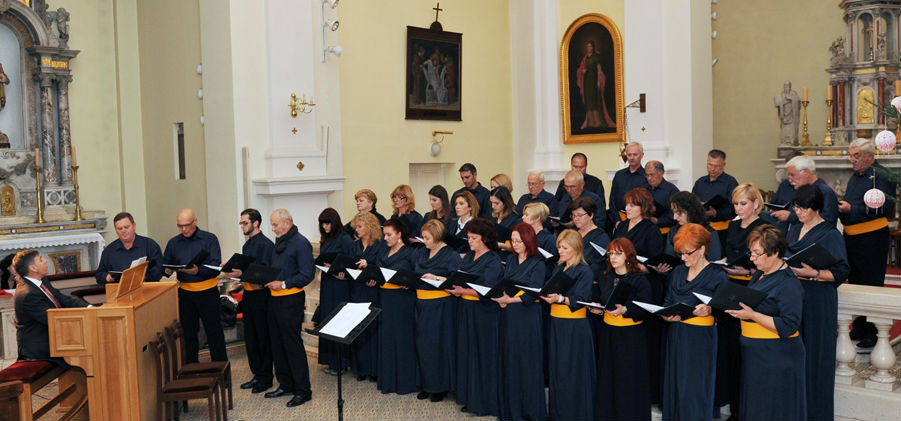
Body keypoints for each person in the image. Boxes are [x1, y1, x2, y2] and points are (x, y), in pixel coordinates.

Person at [725, 225, 805, 421]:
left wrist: (752, 315)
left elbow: (789, 325)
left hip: (777, 357)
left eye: (757, 253)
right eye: (751, 253)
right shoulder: (760, 273)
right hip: (757, 355)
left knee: (772, 410)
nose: (752, 258)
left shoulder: (789, 283)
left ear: (775, 252)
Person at [785, 185, 848, 421]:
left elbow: (841, 271)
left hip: (819, 298)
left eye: (804, 208)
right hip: (795, 295)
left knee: (816, 357)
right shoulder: (794, 229)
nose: (799, 212)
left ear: (817, 208)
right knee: (795, 354)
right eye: (796, 207)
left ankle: (816, 414)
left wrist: (815, 273)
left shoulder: (830, 234)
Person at [716, 183, 773, 416]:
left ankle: (747, 409)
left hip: (751, 287)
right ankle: (734, 407)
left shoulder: (764, 229)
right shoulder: (732, 225)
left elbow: (770, 263)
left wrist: (748, 271)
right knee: (730, 351)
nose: (738, 208)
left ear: (755, 203)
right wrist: (721, 263)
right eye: (735, 204)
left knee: (747, 351)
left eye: (743, 203)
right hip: (731, 286)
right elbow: (729, 255)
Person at [660, 224, 724, 421]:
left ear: (702, 249)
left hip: (700, 340)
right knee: (675, 386)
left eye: (687, 253)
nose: (683, 258)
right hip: (677, 334)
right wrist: (665, 315)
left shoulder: (717, 275)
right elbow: (667, 301)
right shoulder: (678, 272)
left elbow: (727, 310)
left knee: (694, 388)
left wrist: (711, 310)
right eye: (680, 253)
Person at [441, 218, 503, 416]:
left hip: (484, 312)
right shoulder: (468, 257)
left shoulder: (493, 260)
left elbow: (488, 289)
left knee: (483, 355)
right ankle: (470, 397)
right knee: (467, 353)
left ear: (485, 238)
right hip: (466, 310)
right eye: (468, 238)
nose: (470, 241)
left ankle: (485, 401)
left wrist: (463, 291)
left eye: (474, 238)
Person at [839, 138, 896, 349]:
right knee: (855, 283)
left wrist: (851, 209)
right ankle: (860, 327)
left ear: (870, 156)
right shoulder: (856, 177)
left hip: (871, 238)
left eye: (856, 156)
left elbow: (884, 207)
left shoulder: (882, 176)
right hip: (852, 237)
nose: (852, 160)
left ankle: (872, 332)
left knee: (871, 284)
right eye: (850, 156)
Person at [590, 238, 652, 421]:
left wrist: (625, 310)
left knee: (628, 380)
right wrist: (597, 308)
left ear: (628, 256)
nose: (613, 257)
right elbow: (603, 301)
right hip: (608, 333)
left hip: (630, 336)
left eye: (618, 253)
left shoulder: (639, 279)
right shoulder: (605, 276)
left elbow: (646, 308)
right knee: (607, 378)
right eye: (610, 253)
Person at [491, 223, 547, 421]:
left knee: (526, 361)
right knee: (510, 360)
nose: (514, 244)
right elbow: (505, 283)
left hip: (527, 316)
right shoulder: (511, 259)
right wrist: (502, 299)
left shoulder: (538, 263)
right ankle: (511, 410)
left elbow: (534, 293)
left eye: (518, 241)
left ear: (528, 241)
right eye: (513, 241)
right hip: (509, 315)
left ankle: (529, 412)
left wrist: (510, 300)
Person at [541, 230, 596, 421]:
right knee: (558, 370)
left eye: (565, 248)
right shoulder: (559, 268)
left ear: (576, 248)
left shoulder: (584, 271)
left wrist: (560, 299)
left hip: (574, 326)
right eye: (559, 247)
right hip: (556, 323)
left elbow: (581, 299)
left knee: (572, 371)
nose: (560, 251)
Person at [263, 209, 315, 407]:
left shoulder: (301, 243)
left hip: (291, 299)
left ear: (287, 222)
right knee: (277, 343)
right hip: (274, 299)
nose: (273, 228)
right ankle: (285, 384)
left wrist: (284, 284)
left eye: (275, 224)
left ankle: (303, 390)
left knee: (292, 345)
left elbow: (307, 274)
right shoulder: (280, 240)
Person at [162, 208, 226, 363]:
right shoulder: (173, 243)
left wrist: (198, 271)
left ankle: (221, 368)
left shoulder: (209, 239)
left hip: (208, 291)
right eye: (180, 226)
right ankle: (192, 368)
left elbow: (215, 266)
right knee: (189, 334)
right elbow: (166, 266)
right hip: (186, 294)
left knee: (214, 333)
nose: (184, 229)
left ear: (195, 221)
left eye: (187, 225)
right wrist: (167, 270)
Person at [224, 209, 275, 393]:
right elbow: (246, 269)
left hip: (262, 296)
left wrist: (242, 273)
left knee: (262, 337)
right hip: (249, 294)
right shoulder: (247, 245)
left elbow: (265, 272)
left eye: (245, 223)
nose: (242, 226)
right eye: (241, 223)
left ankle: (266, 378)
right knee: (251, 337)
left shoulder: (266, 245)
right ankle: (257, 374)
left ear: (256, 223)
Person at [416, 220, 462, 402]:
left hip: (441, 304)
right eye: (423, 238)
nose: (424, 241)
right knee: (424, 345)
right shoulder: (422, 252)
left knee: (439, 345)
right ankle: (427, 384)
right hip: (422, 303)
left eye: (427, 238)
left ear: (437, 236)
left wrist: (436, 277)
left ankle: (440, 387)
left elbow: (455, 280)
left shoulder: (451, 255)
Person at [13, 250, 88, 361]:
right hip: (41, 349)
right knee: (87, 352)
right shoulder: (28, 294)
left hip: (55, 339)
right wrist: (84, 319)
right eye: (40, 259)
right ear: (33, 268)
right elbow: (53, 319)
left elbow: (61, 298)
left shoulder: (42, 280)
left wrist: (88, 308)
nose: (45, 261)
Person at [375, 219, 419, 395]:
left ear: (399, 234)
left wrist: (409, 283)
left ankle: (404, 382)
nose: (385, 238)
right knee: (387, 338)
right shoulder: (383, 250)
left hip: (402, 300)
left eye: (389, 234)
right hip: (385, 298)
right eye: (384, 235)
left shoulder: (410, 253)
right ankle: (388, 381)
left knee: (402, 339)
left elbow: (417, 276)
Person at [316, 208, 354, 375]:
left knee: (339, 320)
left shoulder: (345, 239)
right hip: (328, 282)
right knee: (327, 318)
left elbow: (351, 262)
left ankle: (341, 362)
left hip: (340, 284)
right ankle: (330, 361)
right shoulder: (326, 239)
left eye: (327, 223)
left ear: (335, 222)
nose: (325, 227)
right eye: (322, 224)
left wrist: (341, 271)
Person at [350, 212, 387, 382]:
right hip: (357, 289)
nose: (357, 230)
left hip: (373, 290)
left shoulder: (379, 245)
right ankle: (361, 368)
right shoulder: (355, 245)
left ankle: (374, 369)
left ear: (369, 226)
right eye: (356, 227)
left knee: (372, 328)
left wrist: (369, 266)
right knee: (359, 328)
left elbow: (382, 265)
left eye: (360, 226)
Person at [655, 191, 723, 274]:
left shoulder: (709, 233)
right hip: (676, 275)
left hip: (701, 276)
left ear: (691, 211)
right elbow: (668, 259)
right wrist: (663, 269)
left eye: (678, 213)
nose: (674, 217)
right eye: (673, 213)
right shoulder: (673, 231)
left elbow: (713, 264)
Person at [95, 212, 163, 285]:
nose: (123, 231)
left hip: (145, 288)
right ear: (116, 230)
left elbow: (159, 269)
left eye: (126, 227)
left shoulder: (150, 245)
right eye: (120, 228)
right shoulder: (109, 251)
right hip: (119, 290)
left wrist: (144, 277)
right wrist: (107, 277)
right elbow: (99, 275)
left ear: (134, 226)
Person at [769, 155, 839, 228]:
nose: (790, 180)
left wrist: (791, 216)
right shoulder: (801, 190)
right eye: (789, 176)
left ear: (806, 172)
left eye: (792, 175)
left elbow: (826, 222)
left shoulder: (825, 192)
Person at [692, 149, 739, 244]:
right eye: (709, 165)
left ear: (724, 165)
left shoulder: (730, 182)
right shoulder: (700, 182)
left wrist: (715, 213)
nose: (712, 169)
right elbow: (692, 202)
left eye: (716, 166)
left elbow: (735, 209)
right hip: (700, 228)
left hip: (722, 230)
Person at [611, 188, 664, 259]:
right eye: (627, 204)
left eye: (632, 205)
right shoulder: (621, 225)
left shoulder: (652, 230)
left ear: (643, 207)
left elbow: (655, 259)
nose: (626, 208)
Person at [576, 41, 616, 129]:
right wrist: (582, 71)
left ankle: (597, 122)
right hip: (587, 82)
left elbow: (599, 70)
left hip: (594, 81)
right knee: (589, 102)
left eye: (590, 46)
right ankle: (591, 122)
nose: (589, 48)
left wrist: (599, 80)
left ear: (593, 47)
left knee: (594, 101)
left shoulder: (595, 57)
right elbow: (581, 68)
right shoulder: (585, 58)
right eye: (587, 46)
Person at [570, 197, 611, 283]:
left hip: (586, 280)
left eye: (579, 215)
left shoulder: (601, 237)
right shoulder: (572, 234)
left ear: (591, 215)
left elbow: (600, 265)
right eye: (573, 215)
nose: (576, 219)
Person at [609, 142, 650, 225]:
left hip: (640, 221)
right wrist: (617, 220)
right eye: (629, 155)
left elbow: (649, 202)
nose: (632, 158)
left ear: (642, 155)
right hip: (620, 219)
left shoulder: (647, 176)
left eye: (635, 155)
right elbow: (612, 200)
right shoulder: (619, 175)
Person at [645, 160, 679, 233]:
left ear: (661, 173)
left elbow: (677, 214)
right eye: (647, 175)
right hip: (645, 229)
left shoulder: (672, 190)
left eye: (652, 175)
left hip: (665, 231)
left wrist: (657, 221)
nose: (649, 178)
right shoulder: (644, 189)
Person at [489, 186, 521, 254]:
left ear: (505, 202)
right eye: (491, 203)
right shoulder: (492, 216)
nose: (492, 206)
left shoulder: (515, 219)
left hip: (506, 255)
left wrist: (502, 245)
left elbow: (519, 246)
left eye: (496, 203)